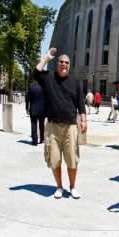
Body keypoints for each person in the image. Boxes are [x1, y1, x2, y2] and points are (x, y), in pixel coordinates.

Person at [35, 48, 86, 199]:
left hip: (70, 126)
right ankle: (59, 186)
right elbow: (35, 73)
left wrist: (83, 120)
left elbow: (81, 104)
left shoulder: (75, 82)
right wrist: (47, 57)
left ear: (69, 66)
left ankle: (72, 187)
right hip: (52, 127)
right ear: (57, 64)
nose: (64, 64)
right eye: (61, 62)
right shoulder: (49, 78)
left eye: (67, 63)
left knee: (72, 159)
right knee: (54, 159)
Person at [26, 79, 45, 146]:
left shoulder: (31, 86)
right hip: (42, 110)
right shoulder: (44, 86)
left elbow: (27, 98)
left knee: (33, 125)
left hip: (33, 109)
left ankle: (35, 141)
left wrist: (26, 108)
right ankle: (42, 138)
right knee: (42, 125)